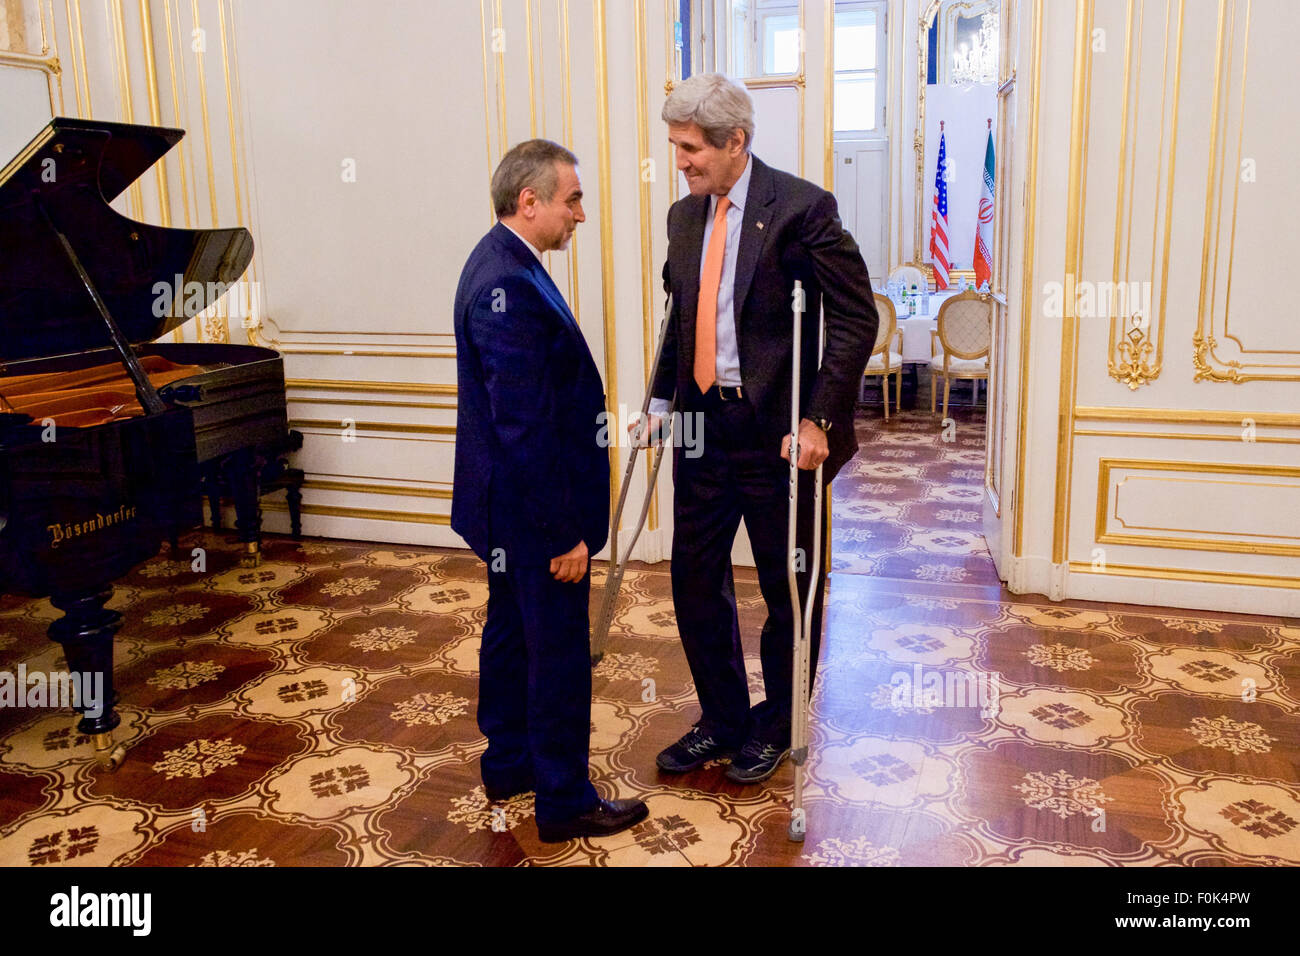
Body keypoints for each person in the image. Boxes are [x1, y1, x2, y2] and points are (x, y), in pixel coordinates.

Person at [637, 73, 877, 783]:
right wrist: (658, 403)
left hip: (778, 431)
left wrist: (820, 418)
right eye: (675, 146)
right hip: (701, 426)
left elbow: (855, 317)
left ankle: (776, 723)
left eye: (690, 149)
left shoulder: (802, 208)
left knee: (787, 583)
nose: (680, 161)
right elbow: (683, 320)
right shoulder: (686, 218)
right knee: (693, 578)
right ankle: (722, 719)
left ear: (734, 141)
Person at [452, 139, 648, 842]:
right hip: (533, 516)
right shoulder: (507, 286)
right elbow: (525, 428)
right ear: (528, 202)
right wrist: (566, 532)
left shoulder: (501, 261)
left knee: (509, 634)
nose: (582, 215)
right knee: (558, 651)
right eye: (572, 199)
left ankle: (509, 762)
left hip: (505, 509)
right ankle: (564, 799)